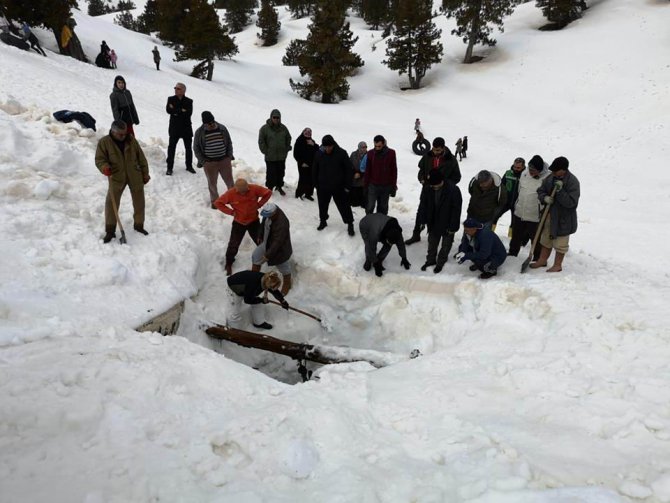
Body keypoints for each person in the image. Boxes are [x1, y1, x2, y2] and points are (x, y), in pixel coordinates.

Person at [95, 120, 150, 243]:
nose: (123, 136)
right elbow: (99, 159)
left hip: (134, 174)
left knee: (139, 201)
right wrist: (104, 167)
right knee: (111, 202)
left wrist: (145, 173)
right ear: (113, 132)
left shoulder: (131, 140)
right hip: (116, 176)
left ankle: (139, 226)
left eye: (125, 133)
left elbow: (141, 158)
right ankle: (110, 231)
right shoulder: (104, 142)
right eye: (120, 134)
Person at [406, 137, 462, 245]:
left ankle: (441, 237)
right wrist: (422, 179)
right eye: (434, 149)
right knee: (422, 210)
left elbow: (457, 177)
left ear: (443, 148)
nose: (435, 152)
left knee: (440, 213)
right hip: (427, 189)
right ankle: (416, 234)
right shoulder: (428, 156)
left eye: (438, 150)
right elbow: (421, 170)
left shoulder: (451, 159)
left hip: (443, 193)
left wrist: (444, 184)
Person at [530, 156, 580, 272]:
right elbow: (540, 190)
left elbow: (571, 203)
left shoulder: (573, 182)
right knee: (546, 240)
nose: (553, 172)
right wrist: (545, 198)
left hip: (563, 219)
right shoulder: (550, 177)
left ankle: (557, 265)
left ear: (564, 169)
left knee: (560, 244)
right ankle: (542, 260)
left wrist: (560, 191)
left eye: (556, 170)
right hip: (549, 216)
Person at [214, 178, 271, 276]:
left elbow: (268, 192)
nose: (243, 193)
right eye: (241, 192)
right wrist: (231, 212)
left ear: (247, 186)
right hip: (239, 223)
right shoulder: (230, 194)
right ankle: (229, 262)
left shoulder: (254, 188)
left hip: (254, 221)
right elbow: (218, 203)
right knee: (233, 244)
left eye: (245, 191)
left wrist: (260, 204)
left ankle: (267, 256)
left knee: (260, 240)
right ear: (236, 189)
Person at [417, 171, 463, 273]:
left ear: (442, 181)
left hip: (448, 223)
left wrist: (453, 227)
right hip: (433, 222)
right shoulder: (428, 188)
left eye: (436, 185)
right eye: (432, 185)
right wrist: (422, 220)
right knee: (432, 243)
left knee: (446, 245)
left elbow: (456, 210)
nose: (434, 187)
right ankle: (430, 260)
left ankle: (441, 261)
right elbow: (423, 205)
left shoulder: (453, 190)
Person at [312, 134, 355, 236]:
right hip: (323, 186)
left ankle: (350, 223)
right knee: (322, 205)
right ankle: (323, 221)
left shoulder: (341, 153)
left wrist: (347, 186)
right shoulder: (319, 154)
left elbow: (349, 170)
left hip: (338, 186)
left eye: (329, 146)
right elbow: (314, 169)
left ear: (333, 145)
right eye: (325, 146)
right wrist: (316, 184)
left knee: (344, 206)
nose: (328, 148)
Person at [508, 155, 549, 258]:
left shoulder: (547, 178)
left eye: (534, 170)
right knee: (516, 236)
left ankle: (537, 257)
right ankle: (512, 253)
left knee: (536, 238)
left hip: (535, 214)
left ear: (540, 170)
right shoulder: (524, 173)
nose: (531, 172)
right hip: (520, 211)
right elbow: (519, 190)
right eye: (530, 169)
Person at [194, 111, 234, 208]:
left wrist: (229, 156)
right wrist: (203, 161)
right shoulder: (199, 132)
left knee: (230, 182)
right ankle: (215, 202)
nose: (211, 125)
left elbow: (229, 142)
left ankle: (233, 199)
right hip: (209, 162)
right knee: (212, 184)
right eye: (208, 123)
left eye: (212, 122)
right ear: (204, 123)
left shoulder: (222, 128)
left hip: (224, 160)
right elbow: (196, 148)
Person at [252, 203, 293, 295]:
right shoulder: (269, 214)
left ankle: (287, 283)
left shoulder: (282, 223)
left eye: (268, 215)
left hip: (279, 250)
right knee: (256, 257)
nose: (266, 217)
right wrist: (260, 235)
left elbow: (278, 242)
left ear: (274, 213)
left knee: (283, 266)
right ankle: (253, 278)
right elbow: (263, 224)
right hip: (266, 243)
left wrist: (268, 255)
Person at [258, 109, 292, 195]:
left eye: (278, 117)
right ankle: (269, 188)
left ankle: (279, 186)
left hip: (281, 156)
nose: (276, 119)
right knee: (271, 173)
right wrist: (265, 151)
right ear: (271, 117)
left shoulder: (283, 128)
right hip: (270, 156)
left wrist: (286, 148)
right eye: (274, 117)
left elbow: (288, 137)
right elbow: (261, 141)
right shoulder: (265, 128)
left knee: (281, 172)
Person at [363, 134, 397, 215]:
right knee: (370, 206)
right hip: (373, 185)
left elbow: (394, 170)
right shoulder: (371, 153)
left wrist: (393, 185)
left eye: (379, 146)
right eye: (375, 146)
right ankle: (369, 222)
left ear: (383, 144)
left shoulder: (391, 153)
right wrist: (365, 186)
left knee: (383, 207)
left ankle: (381, 224)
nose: (377, 148)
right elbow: (368, 170)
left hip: (386, 185)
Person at [165, 82, 194, 175]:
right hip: (174, 128)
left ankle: (189, 166)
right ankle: (169, 167)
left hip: (186, 128)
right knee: (171, 148)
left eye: (178, 89)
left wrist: (175, 111)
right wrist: (181, 110)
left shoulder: (189, 101)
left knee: (188, 148)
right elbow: (168, 110)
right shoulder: (171, 99)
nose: (176, 90)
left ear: (184, 91)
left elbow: (188, 113)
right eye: (175, 88)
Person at [500, 157, 526, 234]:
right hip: (505, 201)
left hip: (517, 204)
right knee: (494, 216)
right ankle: (489, 234)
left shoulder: (525, 176)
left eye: (518, 167)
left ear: (523, 167)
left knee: (514, 223)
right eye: (514, 166)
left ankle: (511, 239)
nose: (515, 169)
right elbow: (501, 185)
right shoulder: (508, 173)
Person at [292, 127, 318, 200]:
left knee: (311, 179)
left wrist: (313, 145)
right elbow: (296, 154)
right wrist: (301, 163)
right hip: (302, 164)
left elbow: (317, 150)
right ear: (303, 133)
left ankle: (308, 194)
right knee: (303, 179)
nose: (308, 134)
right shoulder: (299, 141)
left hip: (311, 164)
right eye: (306, 133)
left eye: (309, 133)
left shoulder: (312, 141)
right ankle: (298, 194)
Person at [348, 141, 368, 208]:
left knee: (363, 194)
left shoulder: (368, 155)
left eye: (365, 147)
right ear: (359, 147)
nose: (364, 149)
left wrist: (361, 174)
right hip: (354, 178)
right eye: (363, 147)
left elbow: (369, 167)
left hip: (364, 178)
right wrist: (354, 173)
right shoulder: (353, 154)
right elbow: (349, 165)